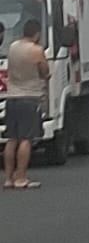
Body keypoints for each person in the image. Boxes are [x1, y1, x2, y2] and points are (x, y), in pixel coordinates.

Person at [3, 18, 50, 190]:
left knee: (11, 139)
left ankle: (8, 178)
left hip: (12, 97)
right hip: (29, 97)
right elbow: (45, 71)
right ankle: (21, 177)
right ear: (37, 34)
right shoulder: (36, 50)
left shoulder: (13, 47)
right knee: (26, 139)